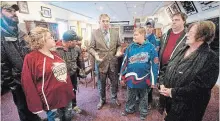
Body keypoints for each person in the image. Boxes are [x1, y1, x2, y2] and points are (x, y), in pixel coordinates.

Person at [159, 21, 219, 121]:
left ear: (202, 36)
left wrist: (173, 92)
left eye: (190, 33)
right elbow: (166, 67)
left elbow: (201, 87)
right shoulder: (182, 49)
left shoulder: (210, 58)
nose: (186, 34)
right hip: (170, 102)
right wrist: (161, 83)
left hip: (187, 110)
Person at [21, 27, 74, 121]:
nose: (53, 38)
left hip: (65, 95)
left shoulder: (55, 53)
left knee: (68, 117)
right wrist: (35, 104)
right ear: (41, 40)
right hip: (52, 100)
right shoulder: (31, 58)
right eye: (50, 37)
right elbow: (28, 83)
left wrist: (70, 88)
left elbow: (64, 74)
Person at [1, 2, 42, 121]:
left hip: (30, 78)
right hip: (17, 82)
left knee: (32, 103)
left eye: (14, 11)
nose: (14, 13)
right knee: (22, 107)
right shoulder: (1, 36)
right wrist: (13, 86)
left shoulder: (21, 33)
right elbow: (3, 66)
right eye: (9, 11)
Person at [120, 27, 159, 120]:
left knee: (144, 98)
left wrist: (154, 81)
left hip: (145, 79)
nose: (134, 36)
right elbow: (124, 63)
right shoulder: (130, 47)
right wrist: (122, 77)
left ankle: (143, 112)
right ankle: (129, 109)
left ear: (142, 35)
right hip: (130, 79)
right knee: (130, 96)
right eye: (134, 34)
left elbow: (155, 64)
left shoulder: (151, 47)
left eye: (136, 34)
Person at [88, 14, 122, 110]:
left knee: (114, 82)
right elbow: (90, 47)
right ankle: (102, 99)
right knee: (101, 83)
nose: (105, 23)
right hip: (101, 63)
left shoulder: (115, 32)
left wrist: (119, 50)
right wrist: (95, 54)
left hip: (113, 63)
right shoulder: (95, 33)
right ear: (99, 22)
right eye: (103, 21)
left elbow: (119, 45)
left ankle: (114, 97)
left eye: (107, 21)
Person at [158, 12, 188, 113]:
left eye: (177, 20)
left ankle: (172, 112)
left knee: (173, 94)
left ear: (184, 21)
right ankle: (164, 110)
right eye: (173, 20)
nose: (174, 22)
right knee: (163, 90)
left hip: (177, 70)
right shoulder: (166, 34)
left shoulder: (187, 36)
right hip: (163, 68)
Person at [55, 30, 85, 114]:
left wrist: (82, 70)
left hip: (73, 74)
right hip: (61, 78)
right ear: (69, 42)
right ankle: (62, 110)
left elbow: (80, 60)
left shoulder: (77, 48)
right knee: (62, 94)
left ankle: (74, 105)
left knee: (73, 90)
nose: (78, 42)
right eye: (75, 41)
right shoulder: (55, 50)